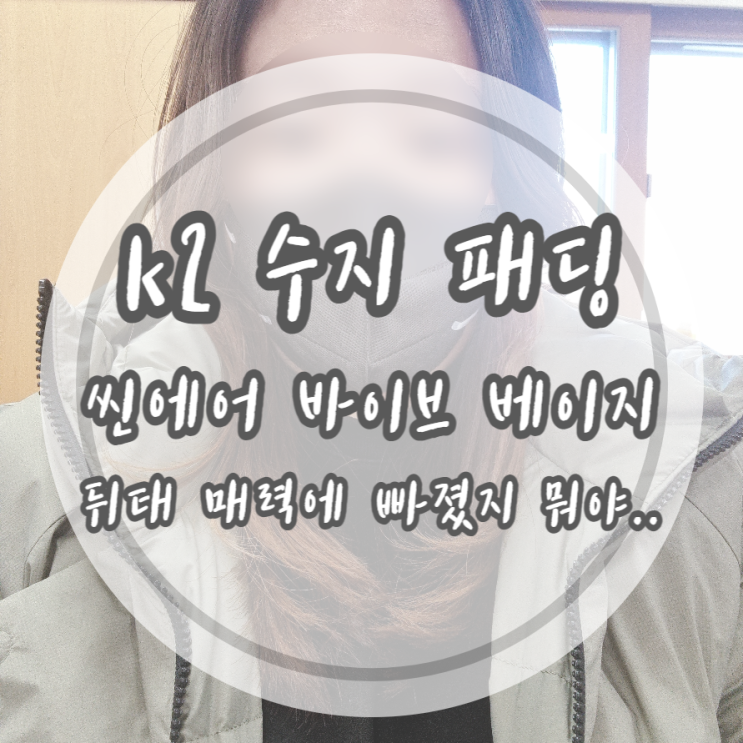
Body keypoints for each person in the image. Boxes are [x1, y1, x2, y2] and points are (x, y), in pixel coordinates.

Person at [1, 1, 742, 742]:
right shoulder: (34, 490)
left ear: (504, 169)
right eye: (297, 124)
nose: (364, 181)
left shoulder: (695, 488)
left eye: (429, 129)